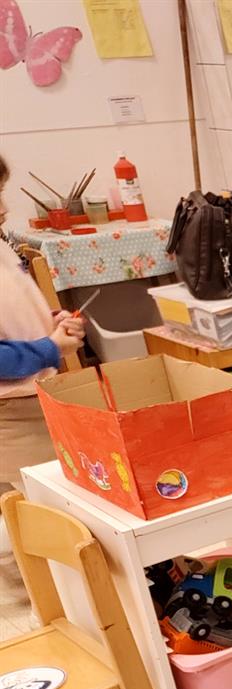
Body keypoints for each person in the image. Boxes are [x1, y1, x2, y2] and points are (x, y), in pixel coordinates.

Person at [0, 154, 85, 606]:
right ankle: (44, 606)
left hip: (33, 397)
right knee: (33, 514)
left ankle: (53, 597)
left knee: (37, 508)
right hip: (11, 413)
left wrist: (49, 323)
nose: (3, 208)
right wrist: (49, 348)